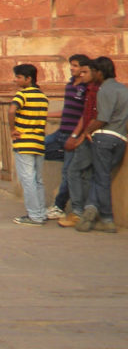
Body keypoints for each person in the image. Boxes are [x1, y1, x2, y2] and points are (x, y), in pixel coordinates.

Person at [72, 56, 128, 233]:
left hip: (104, 137)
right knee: (102, 176)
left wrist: (87, 131)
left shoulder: (104, 90)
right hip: (120, 138)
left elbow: (102, 118)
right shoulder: (123, 89)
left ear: (100, 72)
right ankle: (91, 206)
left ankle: (106, 218)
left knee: (101, 177)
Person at [44, 54, 89, 220]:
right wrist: (45, 115)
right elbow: (67, 110)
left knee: (67, 172)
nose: (72, 68)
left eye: (76, 65)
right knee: (36, 149)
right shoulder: (70, 85)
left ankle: (59, 206)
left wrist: (76, 135)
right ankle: (65, 156)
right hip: (60, 132)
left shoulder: (86, 88)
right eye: (72, 65)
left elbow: (85, 114)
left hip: (72, 134)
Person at [60, 59, 101, 228]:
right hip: (85, 135)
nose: (80, 75)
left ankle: (77, 211)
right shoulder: (89, 90)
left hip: (92, 137)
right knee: (84, 174)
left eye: (84, 72)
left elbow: (96, 116)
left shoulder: (96, 91)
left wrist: (81, 135)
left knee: (74, 171)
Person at [9, 63, 49, 225]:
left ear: (28, 79)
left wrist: (12, 129)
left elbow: (12, 111)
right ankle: (40, 212)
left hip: (24, 141)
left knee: (28, 179)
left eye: (19, 77)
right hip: (38, 141)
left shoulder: (22, 95)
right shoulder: (43, 97)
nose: (16, 80)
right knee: (38, 179)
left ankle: (34, 215)